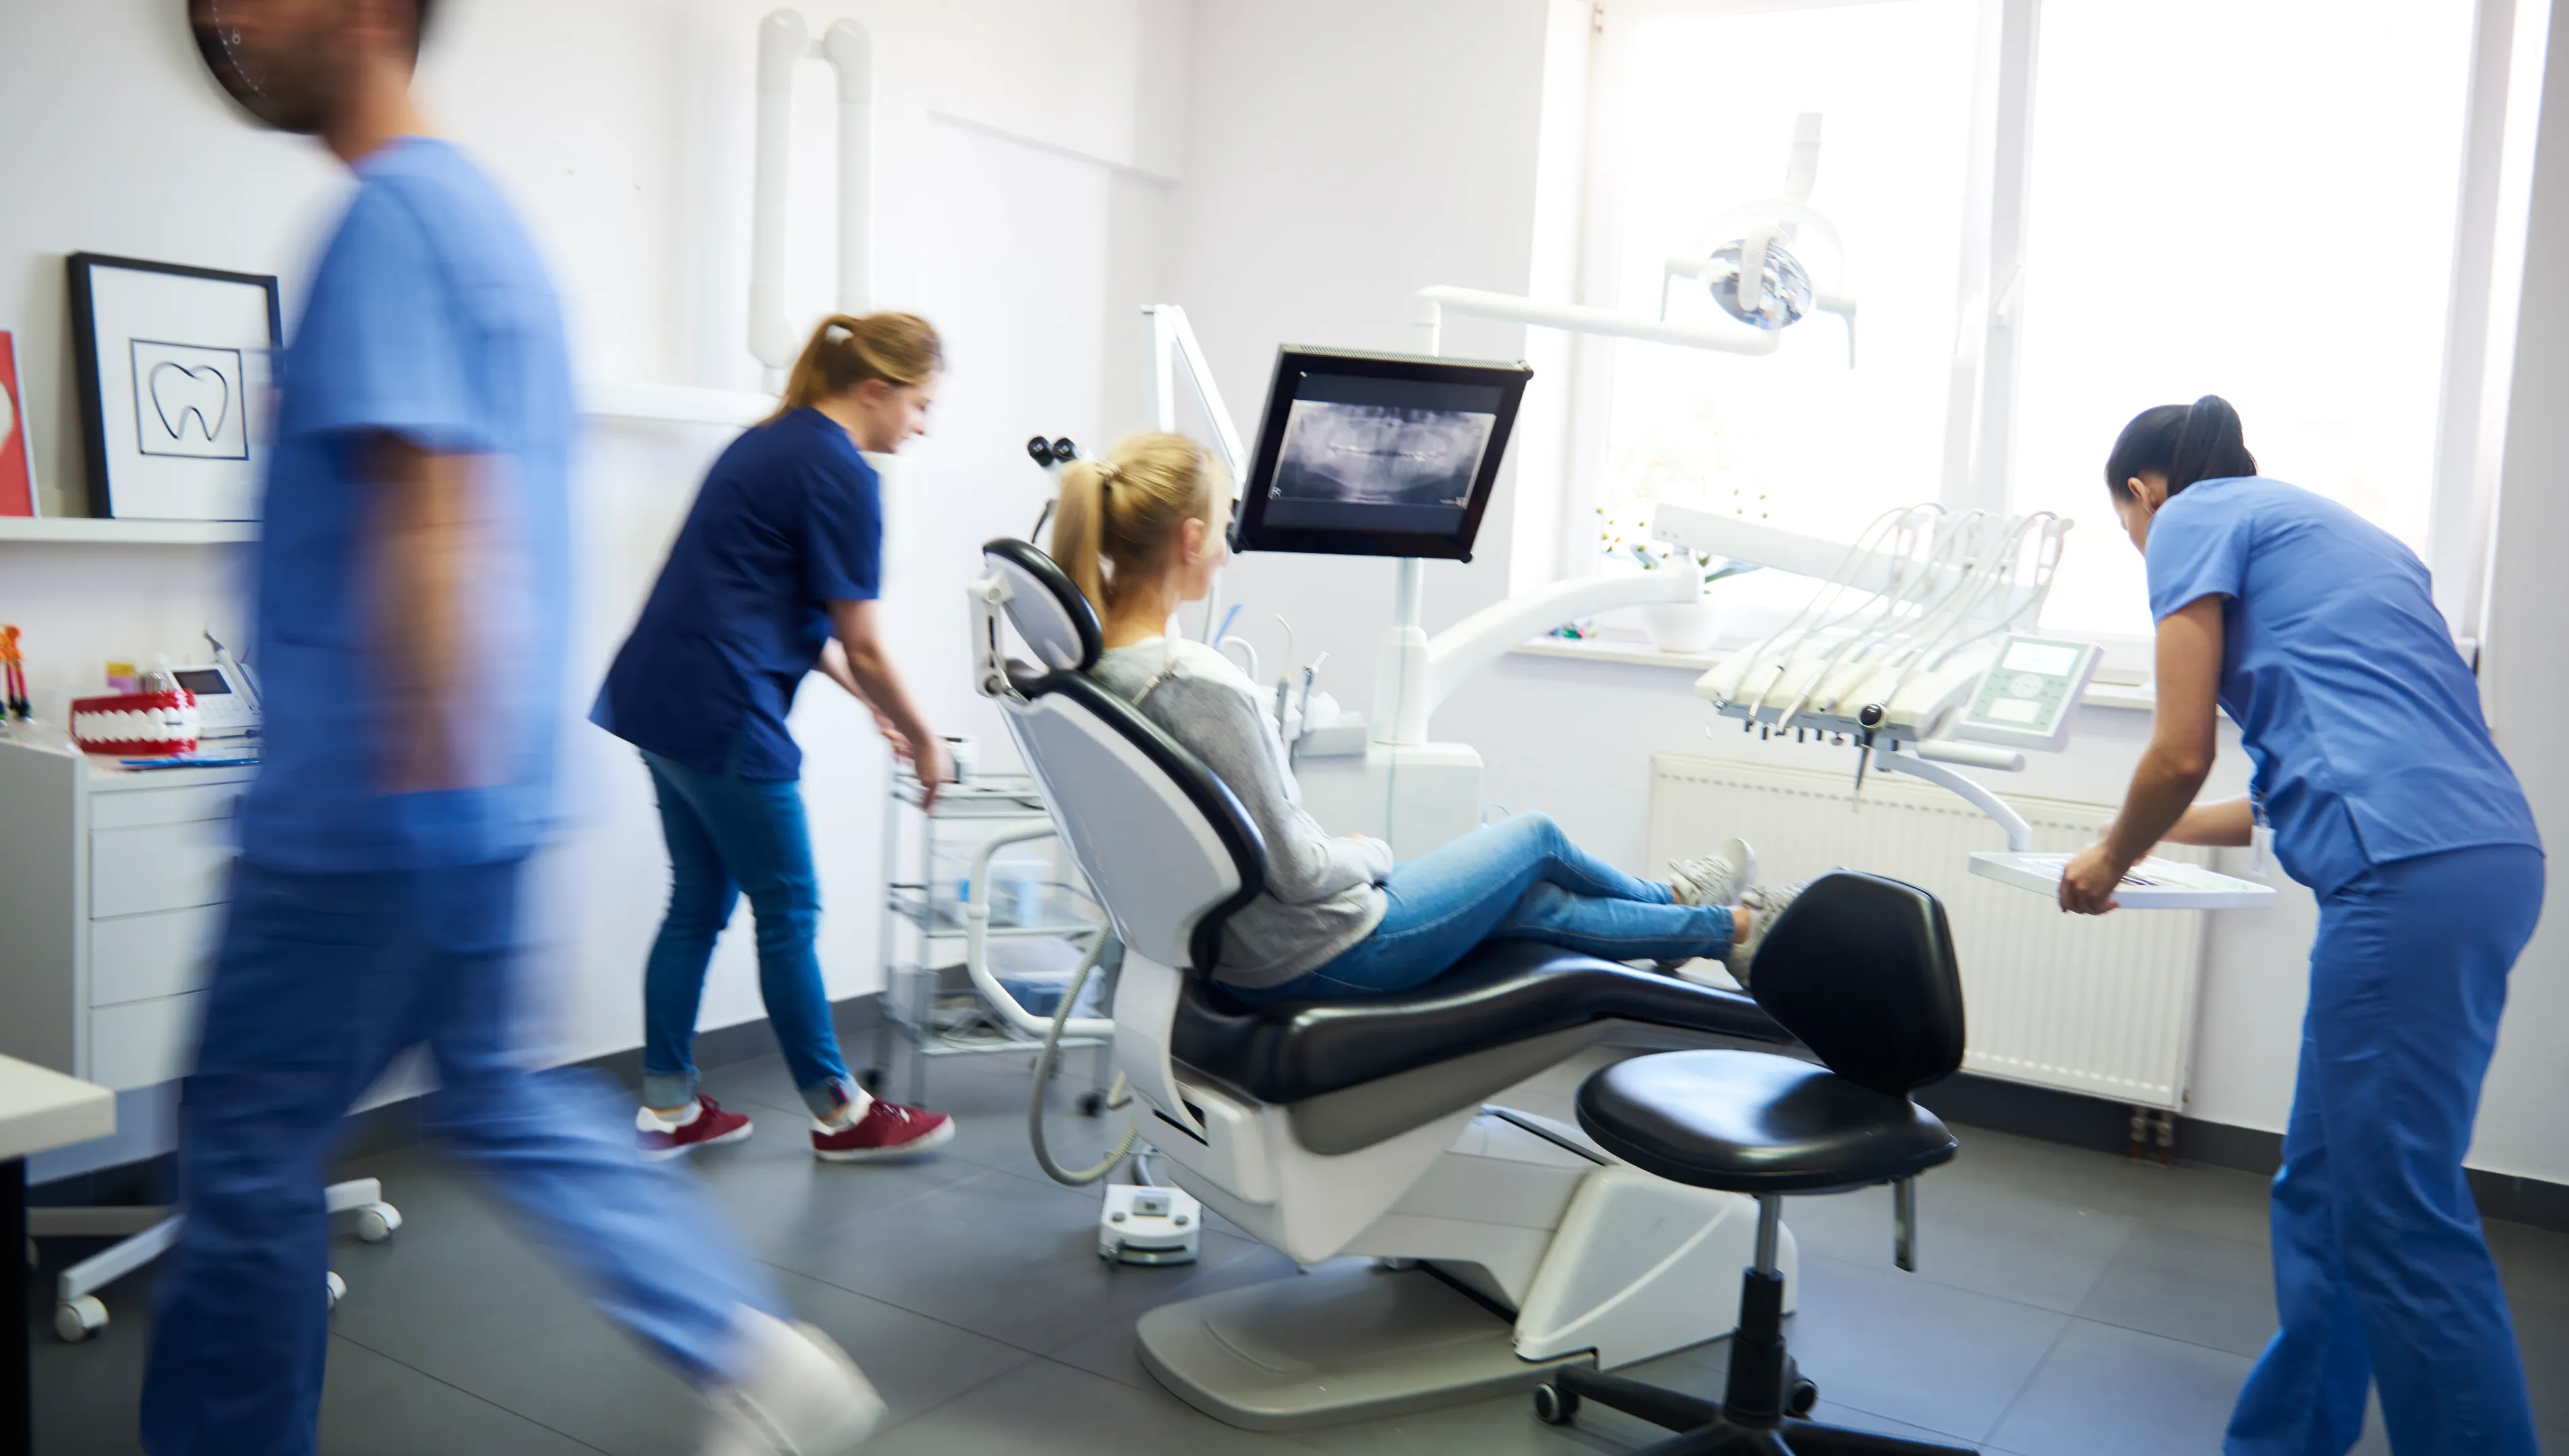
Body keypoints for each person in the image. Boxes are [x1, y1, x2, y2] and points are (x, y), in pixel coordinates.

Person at [151, 5, 886, 1453]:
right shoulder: (480, 221)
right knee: (494, 1098)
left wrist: (413, 784)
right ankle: (746, 1344)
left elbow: (438, 511)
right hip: (473, 794)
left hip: (370, 808)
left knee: (242, 1149)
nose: (234, 21)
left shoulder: (393, 220)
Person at [2059, 396, 2544, 1456]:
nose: (2139, 543)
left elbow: (2178, 751)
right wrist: (2135, 829)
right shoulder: (2346, 537)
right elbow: (2288, 784)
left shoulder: (2189, 519)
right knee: (2327, 1193)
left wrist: (2110, 860)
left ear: (2140, 493)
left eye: (2125, 524)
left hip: (2400, 875)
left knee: (2400, 1220)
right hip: (2480, 858)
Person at [1052, 433, 1800, 1004]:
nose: (1225, 550)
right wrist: (1370, 852)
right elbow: (1302, 871)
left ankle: (1721, 928)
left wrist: (1337, 856)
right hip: (1323, 950)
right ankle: (1685, 905)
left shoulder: (1099, 673)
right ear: (1189, 539)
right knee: (1535, 837)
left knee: (1535, 901)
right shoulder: (1196, 684)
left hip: (1253, 945)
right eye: (1221, 528)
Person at [592, 314, 954, 1162]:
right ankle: (842, 1114)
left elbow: (771, 602)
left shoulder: (771, 441)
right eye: (921, 406)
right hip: (723, 709)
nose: (923, 427)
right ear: (876, 390)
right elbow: (863, 641)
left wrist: (865, 701)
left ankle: (669, 1108)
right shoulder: (840, 471)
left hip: (659, 698)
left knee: (697, 903)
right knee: (789, 908)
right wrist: (924, 736)